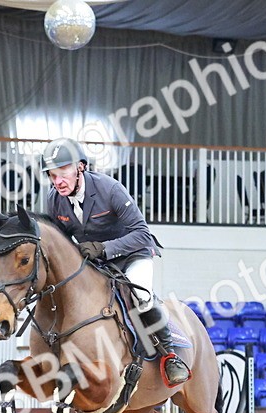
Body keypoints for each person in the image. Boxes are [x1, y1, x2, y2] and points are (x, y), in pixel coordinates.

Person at [40, 137, 190, 387]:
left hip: (133, 254)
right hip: (98, 262)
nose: (58, 181)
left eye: (63, 172)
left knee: (142, 296)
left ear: (80, 167)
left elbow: (142, 233)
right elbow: (61, 242)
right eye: (53, 176)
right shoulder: (54, 199)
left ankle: (170, 356)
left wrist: (104, 248)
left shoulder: (109, 189)